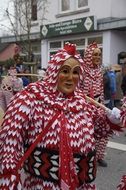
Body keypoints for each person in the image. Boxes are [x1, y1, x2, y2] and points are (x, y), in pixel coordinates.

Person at [0, 42, 122, 190]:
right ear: (54, 71)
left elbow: (97, 127)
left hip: (81, 183)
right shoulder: (30, 98)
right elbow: (10, 142)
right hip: (43, 185)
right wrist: (9, 177)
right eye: (65, 71)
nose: (71, 77)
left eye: (76, 72)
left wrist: (110, 119)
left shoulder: (81, 100)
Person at [80, 42, 111, 167]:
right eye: (95, 54)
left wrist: (102, 106)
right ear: (88, 56)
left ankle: (99, 156)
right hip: (85, 106)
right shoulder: (82, 71)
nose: (98, 57)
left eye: (99, 54)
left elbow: (101, 91)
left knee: (104, 131)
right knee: (87, 133)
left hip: (98, 105)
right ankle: (86, 156)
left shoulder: (99, 71)